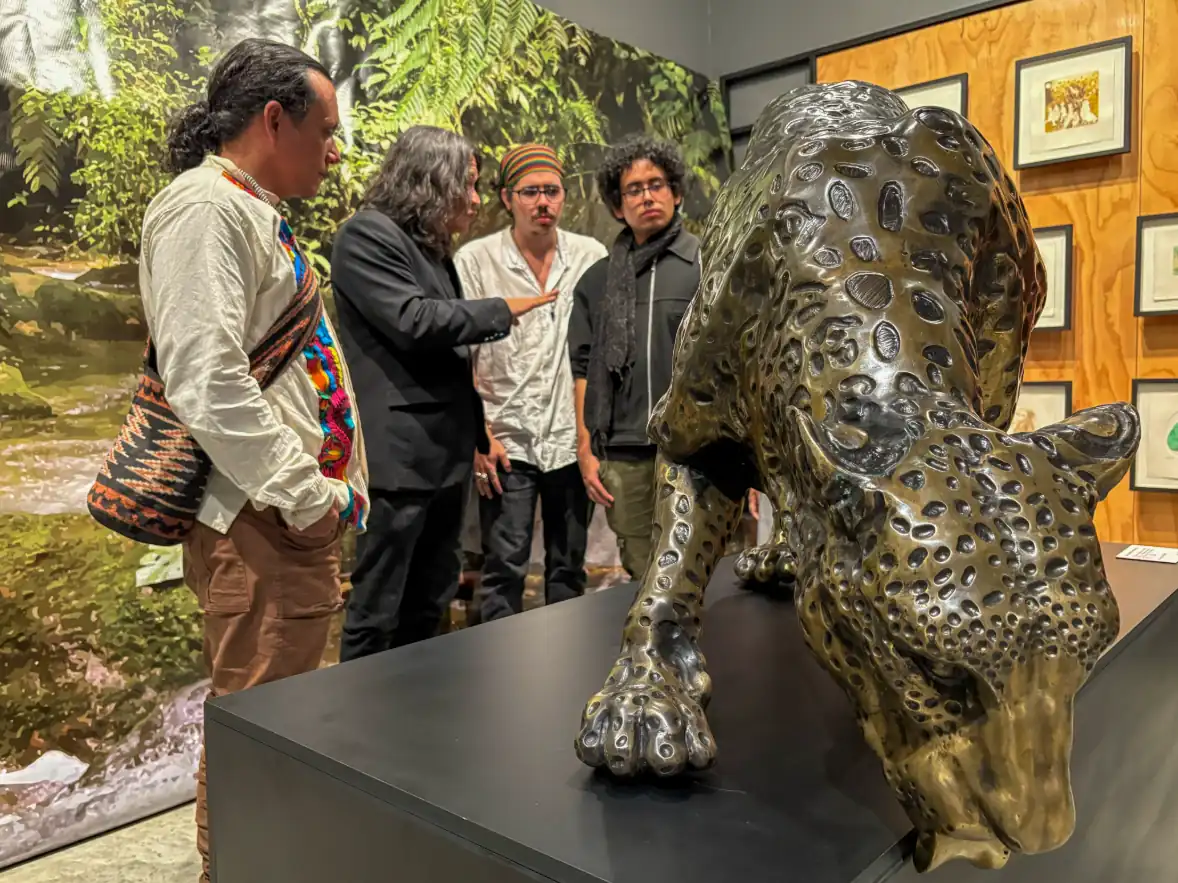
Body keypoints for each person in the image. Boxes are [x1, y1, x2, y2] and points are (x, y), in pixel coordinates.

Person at [145, 38, 367, 883]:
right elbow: (206, 379)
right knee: (261, 724)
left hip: (280, 520)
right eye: (326, 129)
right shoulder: (204, 208)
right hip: (260, 521)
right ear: (275, 120)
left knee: (284, 718)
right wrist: (305, 492)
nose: (335, 149)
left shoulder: (243, 206)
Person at [331, 126, 556, 660]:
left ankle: (415, 715)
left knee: (432, 597)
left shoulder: (431, 251)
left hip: (445, 458)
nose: (477, 200)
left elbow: (452, 363)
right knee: (378, 605)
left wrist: (479, 438)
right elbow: (413, 320)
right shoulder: (365, 235)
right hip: (400, 462)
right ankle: (356, 724)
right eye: (469, 185)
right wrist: (502, 308)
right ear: (432, 180)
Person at [454, 144, 607, 623]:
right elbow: (463, 354)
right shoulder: (475, 260)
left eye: (552, 191)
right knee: (504, 567)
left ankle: (567, 673)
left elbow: (600, 353)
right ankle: (500, 680)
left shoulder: (591, 256)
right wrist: (481, 438)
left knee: (568, 569)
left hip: (570, 435)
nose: (543, 203)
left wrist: (593, 438)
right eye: (530, 192)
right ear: (507, 197)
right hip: (507, 438)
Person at [569, 134, 701, 581]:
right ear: (616, 206)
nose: (647, 196)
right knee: (643, 569)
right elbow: (583, 368)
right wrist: (586, 451)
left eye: (657, 184)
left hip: (695, 449)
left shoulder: (707, 263)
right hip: (624, 450)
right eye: (634, 189)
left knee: (697, 564)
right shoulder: (596, 281)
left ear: (676, 193)